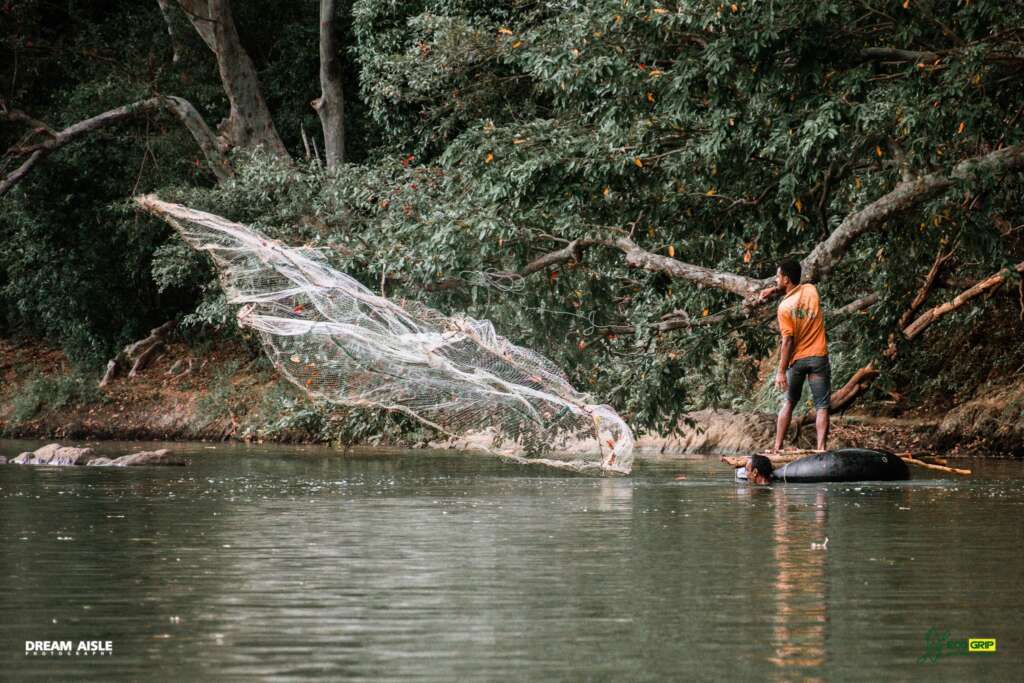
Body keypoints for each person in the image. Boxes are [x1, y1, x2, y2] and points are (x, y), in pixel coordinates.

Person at [759, 260, 831, 451]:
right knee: (822, 406)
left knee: (789, 403)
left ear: (786, 278)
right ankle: (821, 449)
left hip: (797, 361)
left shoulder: (784, 308)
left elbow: (787, 341)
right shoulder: (811, 290)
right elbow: (793, 290)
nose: (776, 279)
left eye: (778, 276)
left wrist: (781, 372)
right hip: (818, 357)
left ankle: (777, 447)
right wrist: (773, 291)